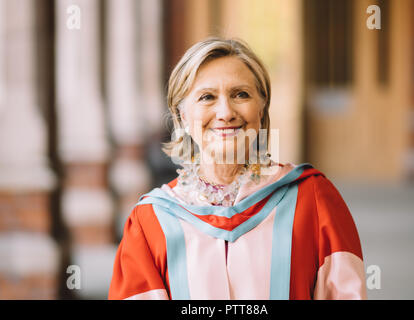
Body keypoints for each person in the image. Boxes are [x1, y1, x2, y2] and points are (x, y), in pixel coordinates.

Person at [108, 38, 367, 300]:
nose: (226, 112)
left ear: (262, 107)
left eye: (240, 94)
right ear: (182, 116)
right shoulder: (151, 221)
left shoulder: (313, 200)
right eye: (207, 97)